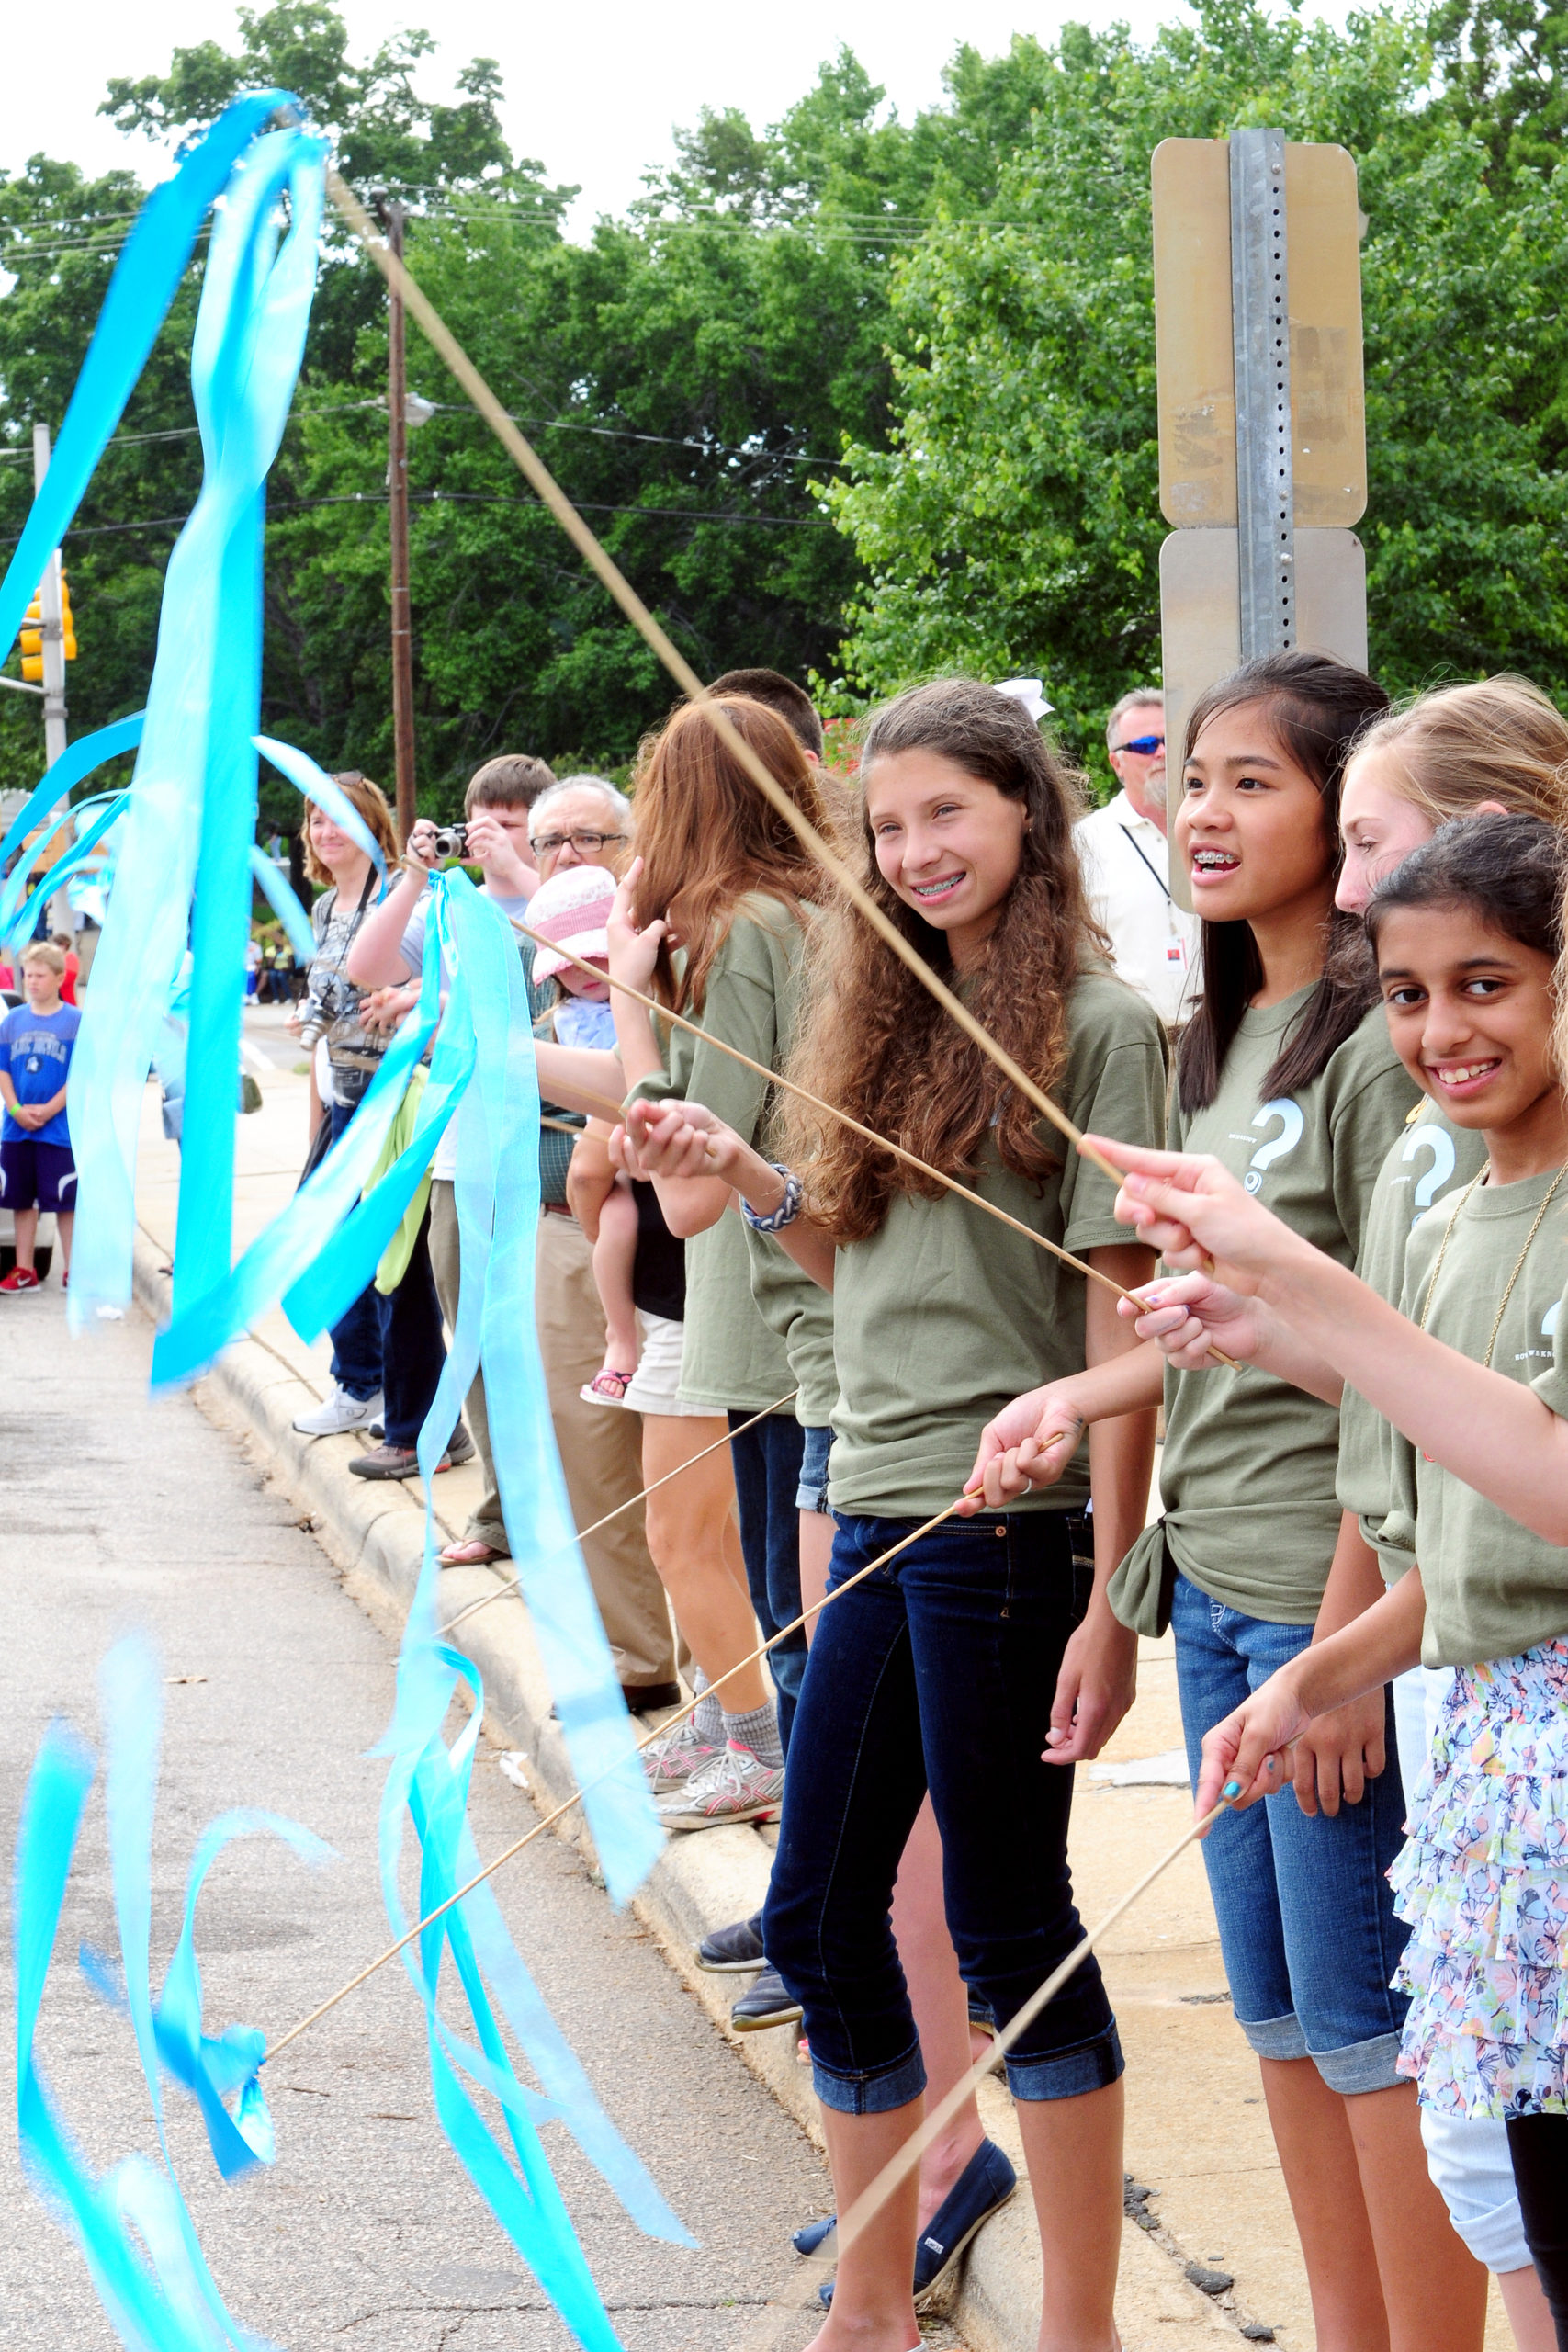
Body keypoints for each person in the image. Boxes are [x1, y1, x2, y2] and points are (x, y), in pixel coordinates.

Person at [619, 676, 1167, 2352]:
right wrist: (751, 1165)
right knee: (815, 1913)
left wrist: (1110, 1595)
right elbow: (853, 1269)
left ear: (1027, 814)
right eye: (892, 821)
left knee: (1011, 1931)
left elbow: (1126, 1316)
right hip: (872, 1499)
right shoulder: (880, 1004)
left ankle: (1080, 2325)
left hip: (1013, 1536)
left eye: (952, 813)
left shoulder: (1100, 1022)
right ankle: (867, 2304)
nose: (919, 850)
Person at [969, 651, 1489, 2352]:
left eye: (1255, 783)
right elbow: (1226, 1324)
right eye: (1188, 776)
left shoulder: (1378, 1045)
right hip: (1215, 1593)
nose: (1202, 811)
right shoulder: (1217, 1029)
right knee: (1276, 2019)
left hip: (1320, 1595)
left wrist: (1343, 1641)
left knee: (1370, 2038)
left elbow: (1390, 1363)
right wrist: (1077, 1390)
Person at [1097, 814, 1568, 2348]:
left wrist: (1305, 1287)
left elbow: (1552, 1487)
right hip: (1483, 1747)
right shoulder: (1448, 1222)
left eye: (1486, 984)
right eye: (1412, 995)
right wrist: (1316, 1673)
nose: (1441, 1031)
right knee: (1497, 2177)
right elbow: (1458, 1522)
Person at [288, 773, 471, 1480]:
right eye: (314, 821)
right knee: (328, 1244)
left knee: (396, 1268)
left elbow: (425, 988)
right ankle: (361, 1381)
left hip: (395, 1101)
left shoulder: (411, 898)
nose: (324, 833)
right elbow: (323, 1020)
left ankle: (398, 1409)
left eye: (338, 821)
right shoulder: (327, 906)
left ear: (372, 829)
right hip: (342, 1098)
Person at [523, 863, 645, 1405]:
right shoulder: (554, 1025)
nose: (585, 968)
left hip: (649, 1149)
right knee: (615, 1219)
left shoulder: (642, 999)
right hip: (601, 1172)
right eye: (567, 963)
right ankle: (621, 1337)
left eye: (595, 951)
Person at [1075, 686, 1198, 1025]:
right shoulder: (1084, 844)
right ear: (1117, 762)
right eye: (1144, 745)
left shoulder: (1211, 826)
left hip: (1221, 1036)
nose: (1160, 753)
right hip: (1141, 1042)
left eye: (1167, 740)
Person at [0, 941, 79, 1293]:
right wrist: (16, 1108)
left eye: (40, 975)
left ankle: (74, 1270)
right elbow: (3, 1070)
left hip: (58, 1129)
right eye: (28, 975)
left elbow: (81, 1076)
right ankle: (24, 1269)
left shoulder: (76, 1022)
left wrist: (48, 1110)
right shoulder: (13, 1021)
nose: (32, 982)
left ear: (59, 977)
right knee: (20, 1200)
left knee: (65, 1201)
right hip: (17, 1129)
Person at [49, 930, 81, 1007]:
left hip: (66, 999)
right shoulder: (53, 958)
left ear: (63, 946)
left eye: (55, 945)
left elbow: (67, 979)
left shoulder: (71, 958)